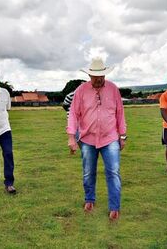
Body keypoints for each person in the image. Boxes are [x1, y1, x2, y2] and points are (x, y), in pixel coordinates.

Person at [67, 57, 127, 221]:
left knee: (113, 172)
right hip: (87, 139)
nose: (99, 80)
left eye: (101, 77)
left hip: (110, 138)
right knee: (88, 172)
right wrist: (71, 137)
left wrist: (122, 135)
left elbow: (120, 113)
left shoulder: (114, 89)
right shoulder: (80, 91)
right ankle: (89, 199)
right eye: (95, 77)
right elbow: (73, 114)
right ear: (90, 76)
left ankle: (114, 207)